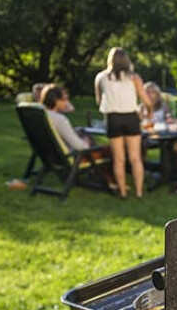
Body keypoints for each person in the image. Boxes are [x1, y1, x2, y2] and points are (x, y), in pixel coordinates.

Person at [94, 47, 151, 198]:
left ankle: (123, 192)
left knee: (118, 159)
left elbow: (99, 101)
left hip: (113, 118)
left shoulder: (100, 77)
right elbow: (146, 100)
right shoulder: (134, 78)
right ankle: (139, 192)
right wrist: (149, 112)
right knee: (135, 158)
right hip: (131, 118)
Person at [41, 84, 114, 186]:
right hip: (71, 157)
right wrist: (86, 143)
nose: (67, 102)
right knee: (109, 150)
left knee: (84, 135)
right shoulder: (60, 119)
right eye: (65, 99)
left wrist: (75, 132)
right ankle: (108, 181)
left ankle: (99, 175)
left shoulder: (42, 115)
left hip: (51, 155)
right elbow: (80, 146)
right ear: (56, 101)